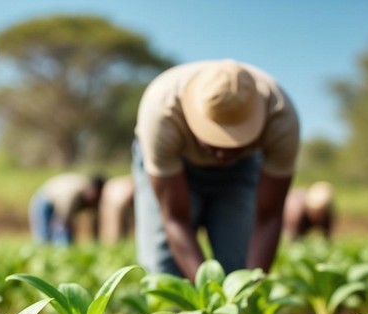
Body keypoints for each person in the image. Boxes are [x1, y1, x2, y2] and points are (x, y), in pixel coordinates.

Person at [133, 59, 300, 281]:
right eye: (214, 140)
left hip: (241, 170)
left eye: (234, 142)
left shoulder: (281, 118)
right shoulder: (161, 111)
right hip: (175, 165)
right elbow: (175, 219)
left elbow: (268, 217)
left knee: (237, 267)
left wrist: (247, 290)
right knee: (165, 271)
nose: (222, 155)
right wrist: (211, 296)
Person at [29, 173, 106, 245]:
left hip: (58, 201)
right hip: (45, 199)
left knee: (64, 233)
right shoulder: (74, 194)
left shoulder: (94, 197)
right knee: (45, 235)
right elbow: (64, 219)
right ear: (92, 189)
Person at [98, 174, 135, 244]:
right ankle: (115, 244)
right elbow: (130, 196)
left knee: (108, 228)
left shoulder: (120, 182)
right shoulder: (132, 183)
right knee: (116, 228)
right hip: (117, 201)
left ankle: (110, 244)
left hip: (109, 198)